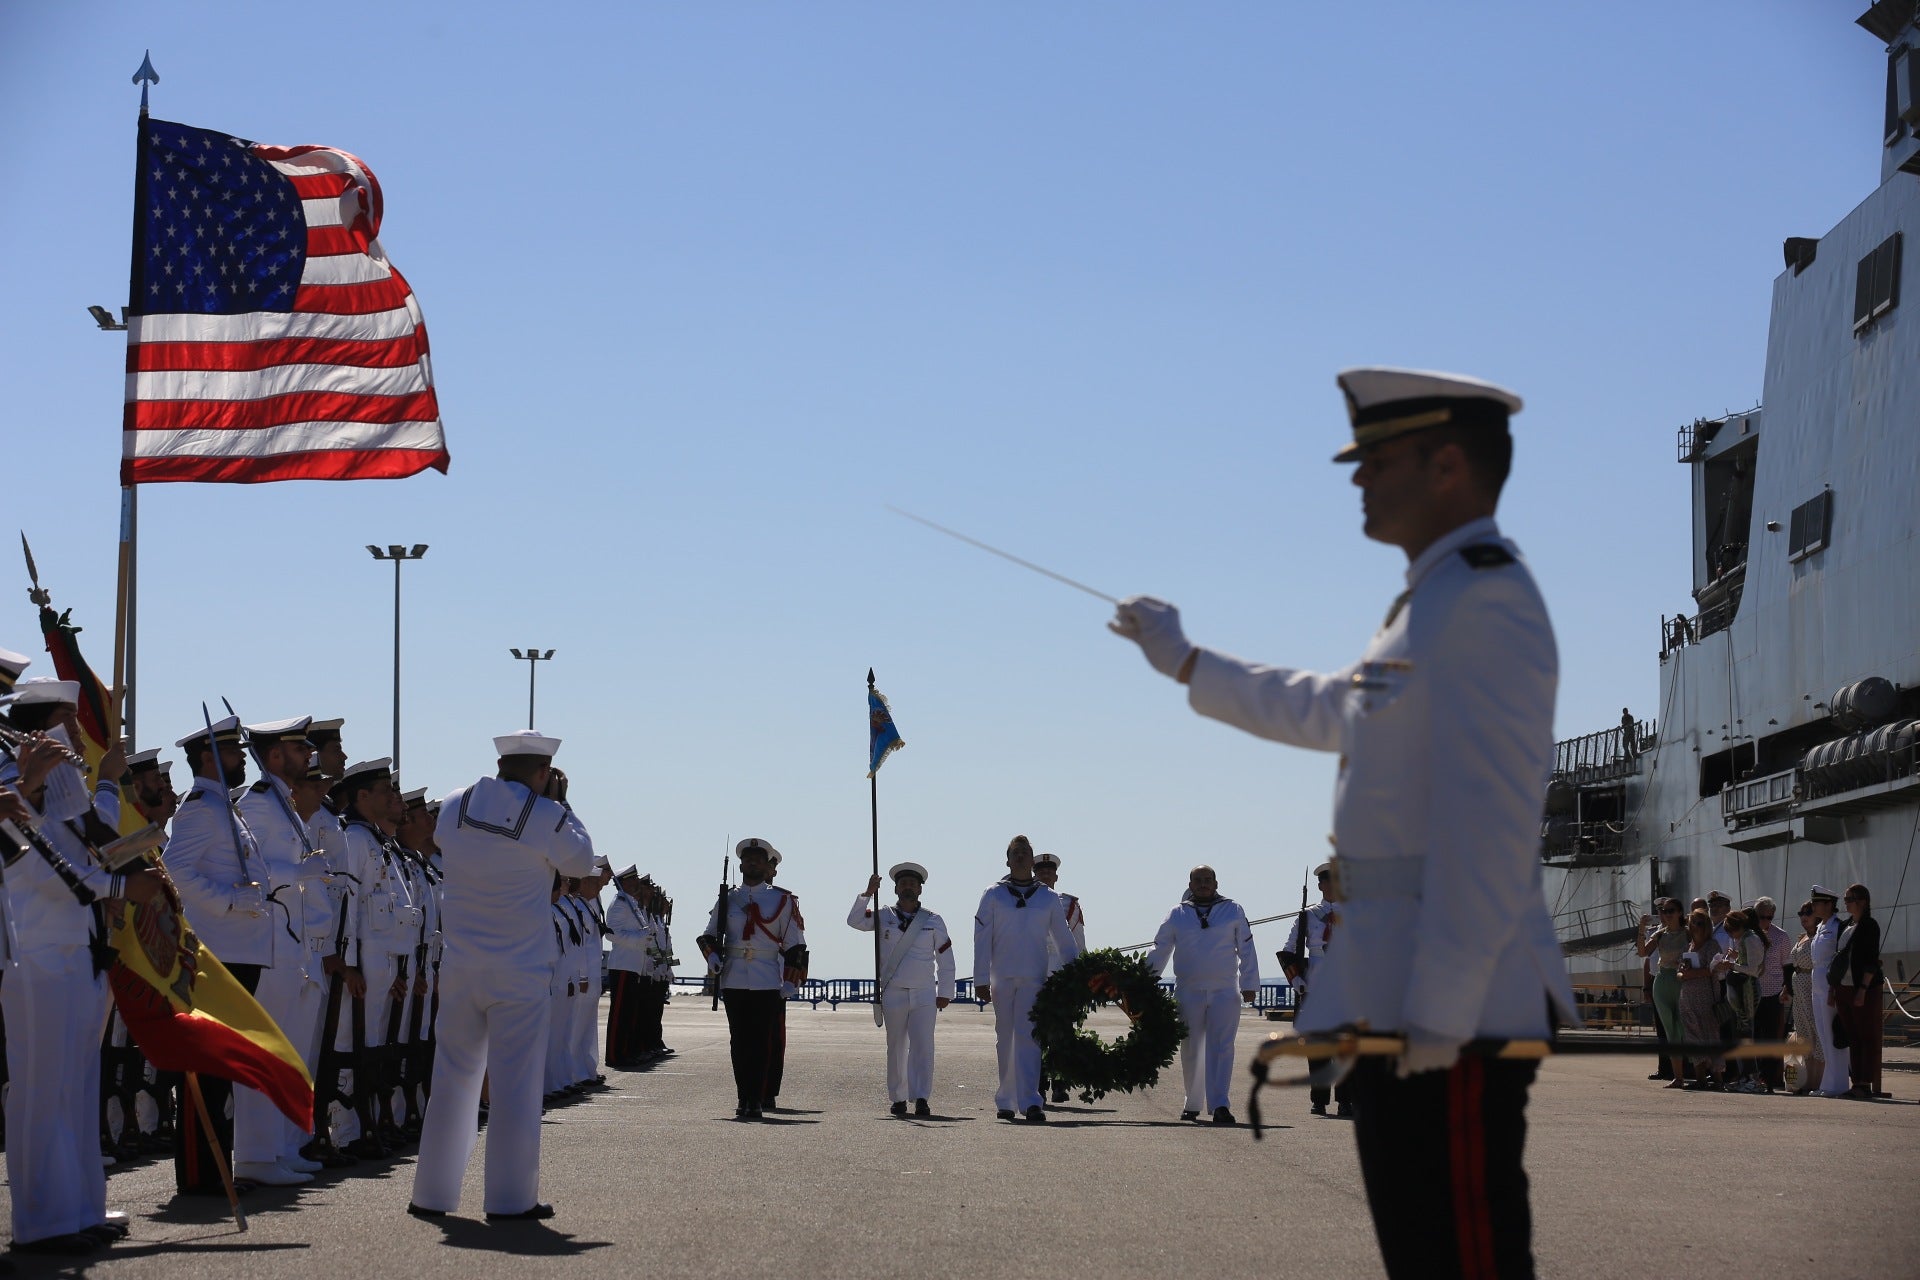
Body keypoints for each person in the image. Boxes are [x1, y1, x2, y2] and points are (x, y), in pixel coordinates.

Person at [1109, 368, 1577, 1279]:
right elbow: (1331, 707)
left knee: (1465, 1255)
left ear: (1447, 463)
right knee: (1423, 1251)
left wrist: (1436, 1014)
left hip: (1450, 1005)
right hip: (1395, 988)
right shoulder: (1430, 601)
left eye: (1375, 459)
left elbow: (1491, 827)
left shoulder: (1484, 598)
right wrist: (1186, 661)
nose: (1357, 479)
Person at [2, 683, 163, 1255]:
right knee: (40, 1090)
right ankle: (42, 1221)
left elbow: (87, 830)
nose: (77, 734)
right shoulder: (13, 777)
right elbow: (42, 867)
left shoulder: (55, 783)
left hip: (78, 946)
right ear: (36, 727)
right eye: (67, 723)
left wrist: (109, 778)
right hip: (39, 949)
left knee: (74, 1088)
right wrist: (120, 885)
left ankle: (77, 1209)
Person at [408, 730, 595, 1222]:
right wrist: (562, 803)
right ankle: (511, 1199)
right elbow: (580, 860)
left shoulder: (454, 804)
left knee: (452, 1079)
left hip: (462, 965)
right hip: (520, 970)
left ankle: (431, 1193)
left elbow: (446, 840)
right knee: (516, 1085)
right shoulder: (547, 815)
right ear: (542, 772)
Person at [161, 713, 275, 1193]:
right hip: (216, 953)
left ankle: (215, 1169)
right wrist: (229, 899)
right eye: (233, 752)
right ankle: (198, 1173)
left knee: (222, 1066)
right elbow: (175, 871)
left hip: (238, 950)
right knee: (206, 1067)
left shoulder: (227, 809)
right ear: (208, 757)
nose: (242, 760)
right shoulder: (200, 811)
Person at [230, 716, 324, 1185]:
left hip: (291, 943)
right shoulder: (259, 805)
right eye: (298, 748)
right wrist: (299, 872)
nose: (308, 754)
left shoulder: (283, 805)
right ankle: (254, 1155)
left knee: (288, 1053)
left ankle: (282, 1147)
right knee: (265, 1051)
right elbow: (255, 870)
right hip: (267, 942)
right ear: (273, 757)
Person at [697, 838, 806, 1120]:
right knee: (738, 1041)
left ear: (766, 863)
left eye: (758, 858)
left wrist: (791, 982)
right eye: (748, 858)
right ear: (741, 864)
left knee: (760, 1042)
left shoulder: (782, 900)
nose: (753, 862)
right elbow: (707, 936)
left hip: (767, 978)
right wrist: (712, 958)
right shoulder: (728, 899)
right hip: (733, 976)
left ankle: (756, 1099)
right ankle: (742, 1096)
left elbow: (795, 946)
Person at [973, 835, 1079, 1123]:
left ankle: (1032, 1101)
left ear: (1032, 860)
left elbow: (1064, 939)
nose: (1020, 857)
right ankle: (1006, 1100)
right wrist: (980, 977)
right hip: (1002, 978)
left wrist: (1077, 974)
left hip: (1034, 978)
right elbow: (981, 937)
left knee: (1030, 1037)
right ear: (1007, 860)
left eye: (1025, 853)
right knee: (1005, 1038)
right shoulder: (993, 894)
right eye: (1015, 853)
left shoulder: (1047, 897)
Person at [1145, 865, 1258, 1124]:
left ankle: (1220, 1105)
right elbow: (1160, 948)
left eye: (1208, 880)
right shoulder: (1177, 913)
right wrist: (1143, 980)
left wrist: (1250, 983)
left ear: (1216, 883)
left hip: (1225, 990)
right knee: (1191, 1047)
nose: (1204, 884)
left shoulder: (1233, 910)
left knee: (1222, 1047)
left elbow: (1247, 948)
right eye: (1198, 880)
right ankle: (1192, 1102)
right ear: (1191, 884)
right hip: (1189, 991)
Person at [849, 862, 956, 1116]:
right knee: (896, 1045)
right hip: (894, 991)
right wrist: (867, 894)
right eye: (903, 883)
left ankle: (921, 1097)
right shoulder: (883, 914)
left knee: (923, 1046)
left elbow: (946, 957)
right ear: (896, 889)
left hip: (924, 993)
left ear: (920, 889)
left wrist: (946, 992)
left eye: (913, 884)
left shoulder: (933, 920)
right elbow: (854, 921)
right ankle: (898, 1097)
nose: (908, 887)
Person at [1031, 851, 1085, 1103]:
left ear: (1055, 876)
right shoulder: (1025, 900)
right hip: (1033, 974)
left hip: (1061, 976)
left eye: (1048, 872)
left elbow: (1079, 942)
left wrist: (1079, 976)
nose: (1044, 875)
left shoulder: (1069, 905)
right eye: (1040, 872)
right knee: (1037, 1034)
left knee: (1062, 1034)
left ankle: (1060, 1085)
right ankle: (1039, 1085)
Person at [1830, 883, 1883, 1101]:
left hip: (1863, 988)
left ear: (1862, 901)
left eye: (1849, 899)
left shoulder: (1869, 925)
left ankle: (1864, 1083)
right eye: (1845, 899)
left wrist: (1862, 989)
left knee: (1865, 1035)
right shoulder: (1845, 925)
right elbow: (1839, 960)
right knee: (1852, 1035)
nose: (1846, 903)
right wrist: (1834, 988)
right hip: (1843, 986)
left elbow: (1871, 961)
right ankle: (1856, 1082)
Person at [1635, 899, 1689, 1088]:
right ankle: (1678, 1077)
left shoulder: (1689, 932)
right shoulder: (1660, 934)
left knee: (1685, 1028)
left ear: (1680, 912)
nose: (1666, 914)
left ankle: (1697, 1073)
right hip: (1663, 981)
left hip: (1683, 981)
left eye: (1671, 911)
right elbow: (1643, 952)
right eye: (1664, 911)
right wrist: (1641, 928)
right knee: (1670, 1031)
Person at [605, 866, 653, 1069]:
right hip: (623, 964)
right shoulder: (620, 904)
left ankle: (625, 1051)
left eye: (636, 880)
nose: (636, 884)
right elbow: (611, 933)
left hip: (633, 965)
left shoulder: (631, 904)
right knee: (619, 1014)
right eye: (632, 881)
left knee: (629, 1013)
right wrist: (641, 937)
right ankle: (615, 1055)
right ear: (622, 883)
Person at [1807, 886, 1851, 1097]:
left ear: (1829, 905)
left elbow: (1839, 959)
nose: (1813, 906)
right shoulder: (1820, 927)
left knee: (1833, 1034)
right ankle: (1828, 1082)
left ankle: (1839, 1084)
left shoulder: (1838, 926)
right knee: (1823, 1034)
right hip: (1817, 983)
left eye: (1817, 902)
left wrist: (1835, 986)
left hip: (1830, 984)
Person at [1675, 909, 1724, 1090]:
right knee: (1692, 1037)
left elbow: (1713, 969)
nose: (1695, 926)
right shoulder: (1688, 947)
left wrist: (1692, 974)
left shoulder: (1712, 946)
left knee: (1710, 1035)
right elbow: (1679, 972)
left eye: (1700, 922)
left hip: (1705, 997)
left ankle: (1718, 1078)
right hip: (1687, 997)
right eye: (1693, 922)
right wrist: (1682, 974)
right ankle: (1700, 1077)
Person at [1719, 910, 1764, 1092]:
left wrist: (1732, 965)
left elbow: (1753, 969)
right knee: (1741, 1034)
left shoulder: (1751, 939)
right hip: (1740, 991)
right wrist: (1736, 957)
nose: (1731, 935)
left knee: (1746, 1034)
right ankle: (1745, 1076)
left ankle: (1752, 1078)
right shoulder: (1745, 939)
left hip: (1748, 991)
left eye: (1731, 931)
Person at [1751, 897, 1791, 1091]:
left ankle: (1771, 1078)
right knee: (1754, 1037)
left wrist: (1787, 988)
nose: (1765, 921)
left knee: (1772, 1038)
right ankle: (1756, 1076)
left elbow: (1787, 966)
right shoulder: (1748, 936)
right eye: (1761, 917)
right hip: (1752, 994)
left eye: (1769, 917)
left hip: (1773, 993)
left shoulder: (1781, 937)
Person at [1785, 901, 1823, 1095]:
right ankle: (1807, 1081)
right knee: (1803, 1035)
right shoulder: (1802, 938)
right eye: (1801, 913)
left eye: (1808, 912)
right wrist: (1787, 989)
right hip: (1799, 990)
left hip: (1811, 988)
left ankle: (1817, 1082)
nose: (1803, 916)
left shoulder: (1819, 937)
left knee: (1816, 1033)